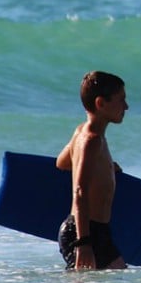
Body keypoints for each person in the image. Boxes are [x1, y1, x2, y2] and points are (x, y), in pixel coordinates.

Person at [55, 71, 129, 271]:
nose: (126, 106)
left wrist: (103, 166)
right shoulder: (91, 140)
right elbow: (80, 192)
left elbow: (62, 162)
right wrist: (83, 243)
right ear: (101, 103)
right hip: (85, 232)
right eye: (121, 100)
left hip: (95, 230)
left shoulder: (82, 132)